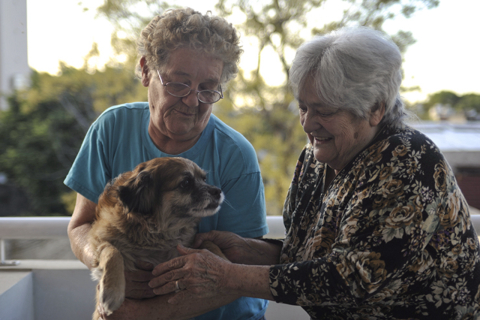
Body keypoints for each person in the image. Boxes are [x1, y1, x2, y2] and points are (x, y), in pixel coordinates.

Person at [147, 27, 480, 319]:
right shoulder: (318, 155)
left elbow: (353, 277)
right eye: (303, 107)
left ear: (376, 108)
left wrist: (229, 275)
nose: (307, 123)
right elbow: (307, 251)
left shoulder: (408, 159)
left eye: (325, 111)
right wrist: (246, 250)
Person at [65, 8, 269, 320]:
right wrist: (107, 262)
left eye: (208, 88)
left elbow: (245, 269)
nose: (192, 100)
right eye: (179, 83)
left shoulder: (236, 154)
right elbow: (81, 225)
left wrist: (139, 313)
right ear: (147, 70)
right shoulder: (111, 128)